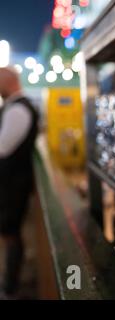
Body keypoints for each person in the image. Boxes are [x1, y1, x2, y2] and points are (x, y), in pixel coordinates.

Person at [0, 67, 39, 297]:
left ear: (9, 81)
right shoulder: (15, 107)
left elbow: (3, 148)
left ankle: (10, 286)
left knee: (10, 234)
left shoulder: (18, 109)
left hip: (13, 185)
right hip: (12, 184)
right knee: (9, 233)